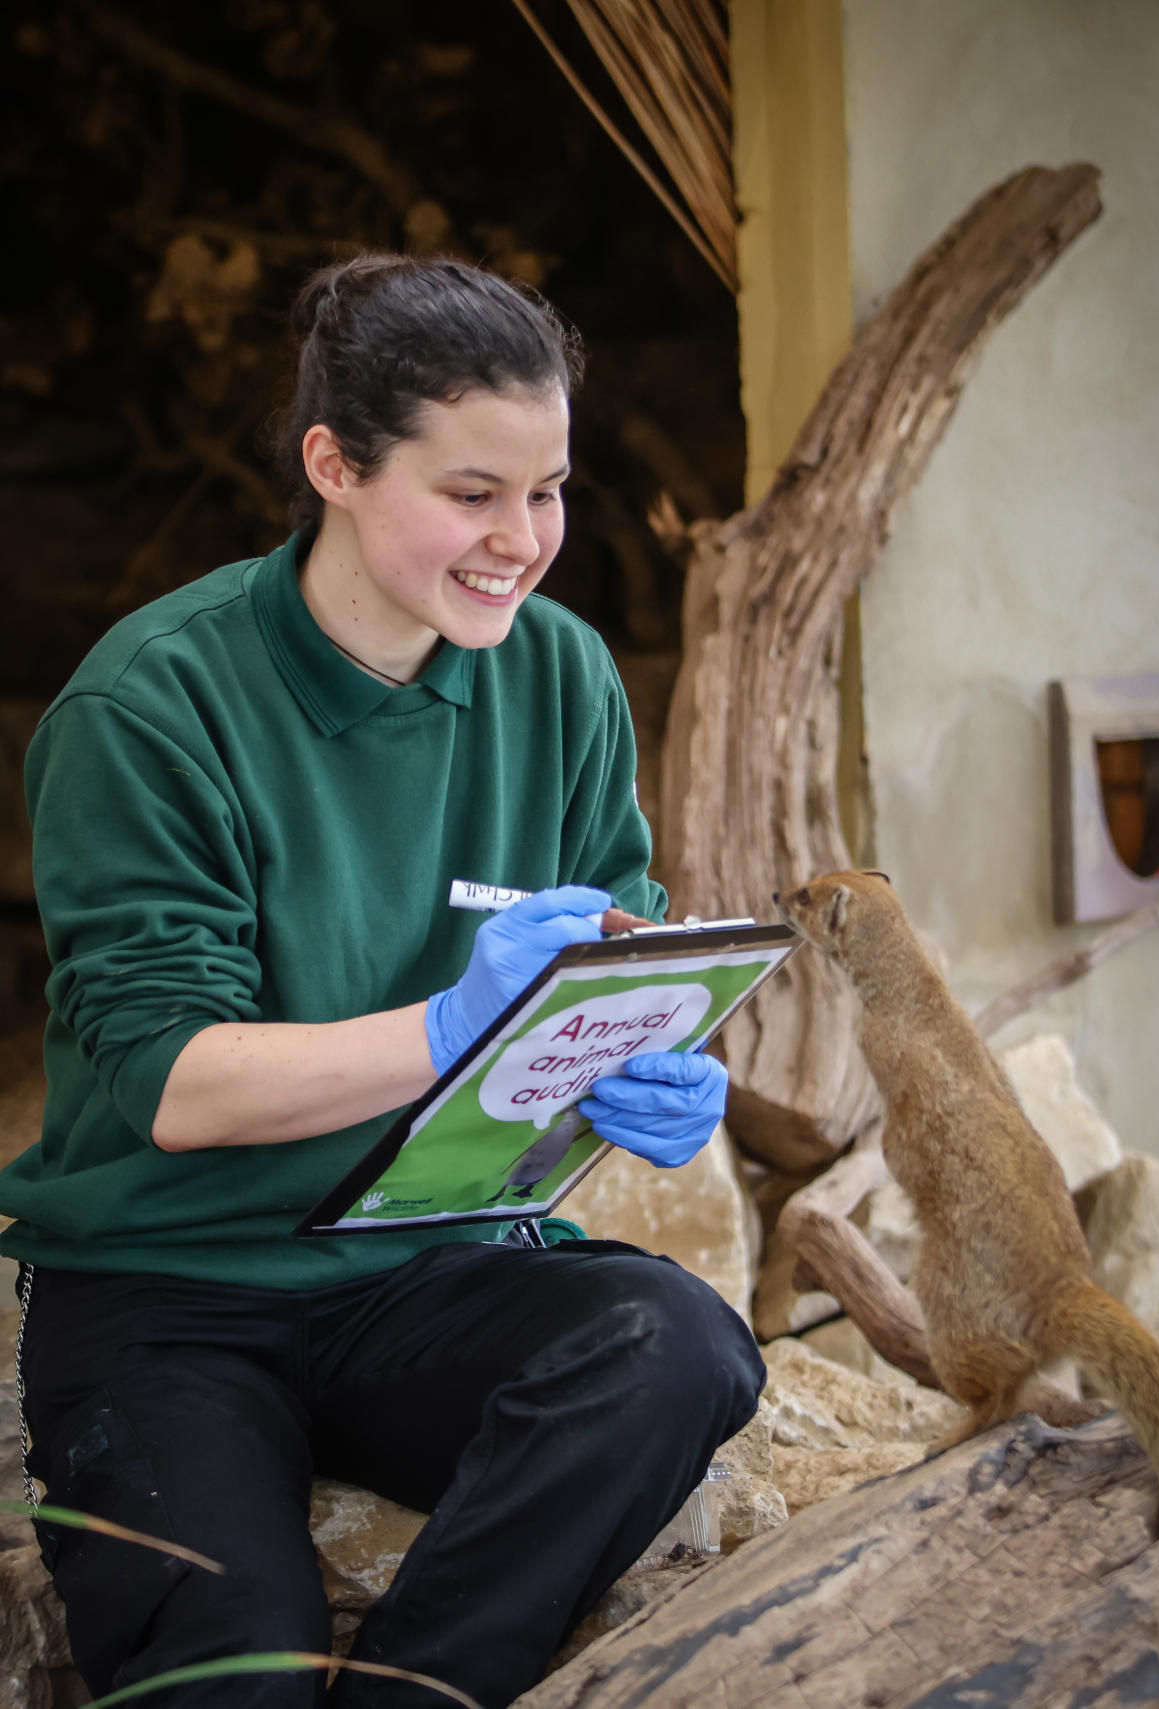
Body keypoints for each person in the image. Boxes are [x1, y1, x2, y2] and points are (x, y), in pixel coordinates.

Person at [0, 254, 765, 1708]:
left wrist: (635, 1069)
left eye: (544, 490)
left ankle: (421, 1693)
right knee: (235, 1668)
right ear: (333, 463)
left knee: (678, 1345)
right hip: (172, 1291)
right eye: (470, 492)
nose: (521, 539)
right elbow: (173, 1085)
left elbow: (612, 953)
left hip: (433, 1269)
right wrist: (450, 1021)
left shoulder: (563, 681)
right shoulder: (148, 704)